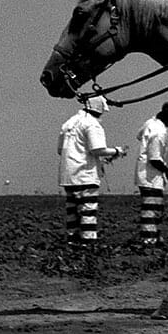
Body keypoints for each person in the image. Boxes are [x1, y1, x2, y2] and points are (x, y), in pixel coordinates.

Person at [57, 94, 126, 246]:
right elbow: (97, 149)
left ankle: (72, 243)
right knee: (88, 211)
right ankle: (88, 245)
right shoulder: (92, 124)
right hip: (85, 174)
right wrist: (117, 151)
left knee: (72, 213)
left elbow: (59, 150)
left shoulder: (68, 123)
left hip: (68, 175)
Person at [134, 100, 168, 249]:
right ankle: (149, 241)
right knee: (151, 210)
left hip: (148, 175)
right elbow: (155, 159)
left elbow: (139, 136)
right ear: (166, 114)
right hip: (151, 176)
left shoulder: (150, 123)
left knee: (156, 209)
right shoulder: (158, 132)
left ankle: (155, 237)